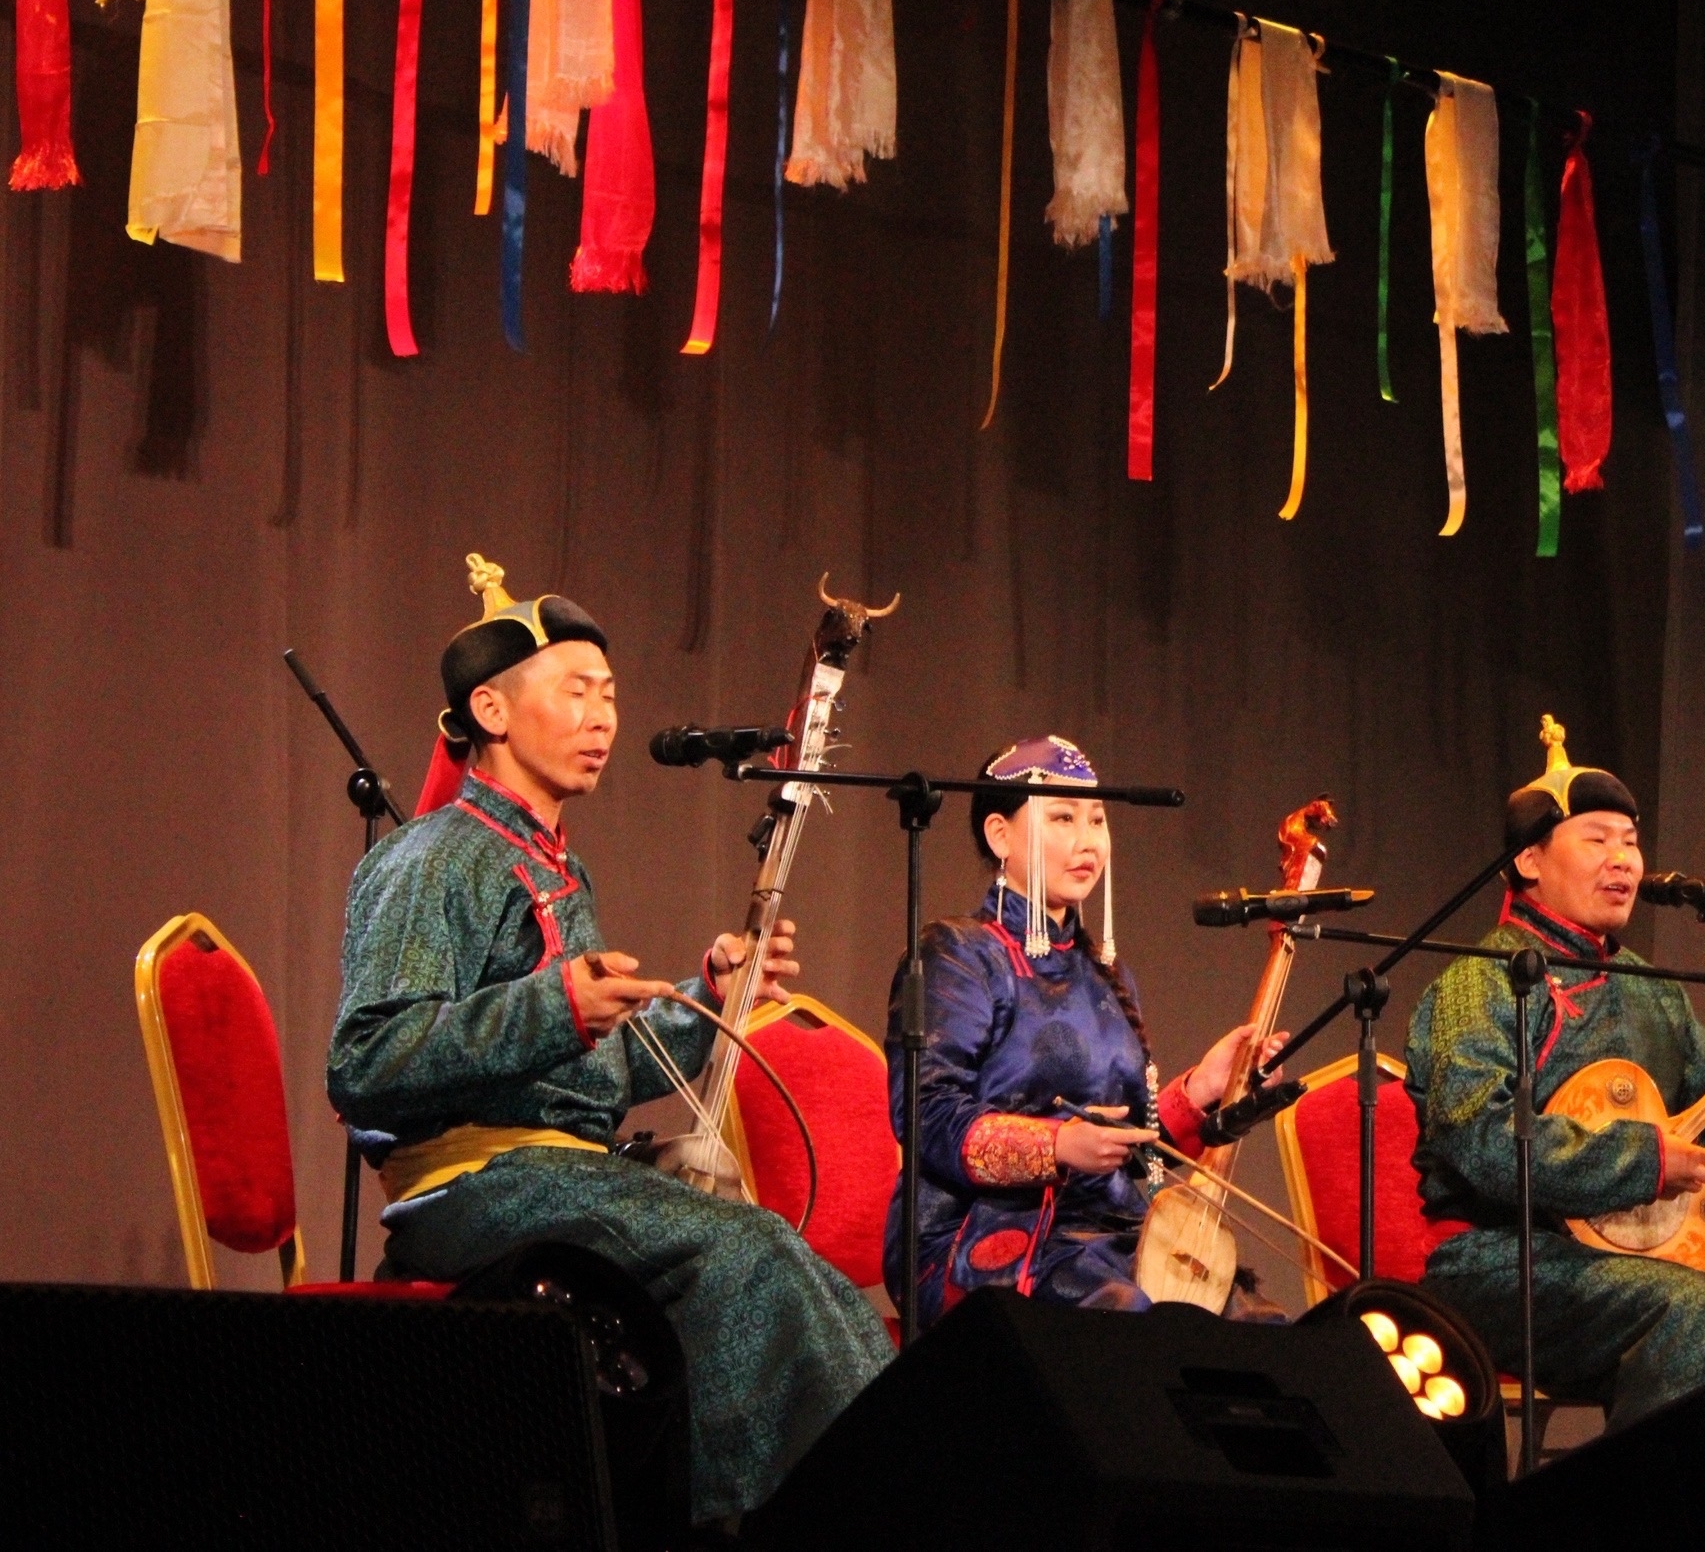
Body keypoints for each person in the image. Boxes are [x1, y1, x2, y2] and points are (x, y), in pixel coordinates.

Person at [328, 555, 894, 1525]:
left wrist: (701, 996)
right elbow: (366, 1064)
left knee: (817, 1282)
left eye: (611, 693)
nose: (602, 714)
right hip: (474, 1187)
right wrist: (554, 1006)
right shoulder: (432, 856)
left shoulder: (554, 864)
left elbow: (577, 1080)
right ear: (493, 712)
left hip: (558, 1172)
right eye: (575, 689)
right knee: (744, 1256)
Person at [1404, 717, 1705, 1427]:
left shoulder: (1646, 984)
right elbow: (1482, 1138)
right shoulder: (1482, 981)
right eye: (1597, 840)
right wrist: (1643, 1159)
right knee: (1691, 1311)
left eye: (1630, 842)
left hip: (1627, 1258)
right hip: (1503, 1260)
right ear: (1529, 861)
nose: (1624, 860)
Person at [887, 734, 1286, 1329]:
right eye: (1063, 818)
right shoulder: (960, 952)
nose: (1087, 840)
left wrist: (1202, 1089)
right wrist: (1055, 1146)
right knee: (1130, 1322)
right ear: (1001, 836)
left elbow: (1134, 1150)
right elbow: (926, 1115)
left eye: (1097, 820)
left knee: (1258, 1331)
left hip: (1110, 1231)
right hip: (985, 1232)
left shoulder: (1105, 971)